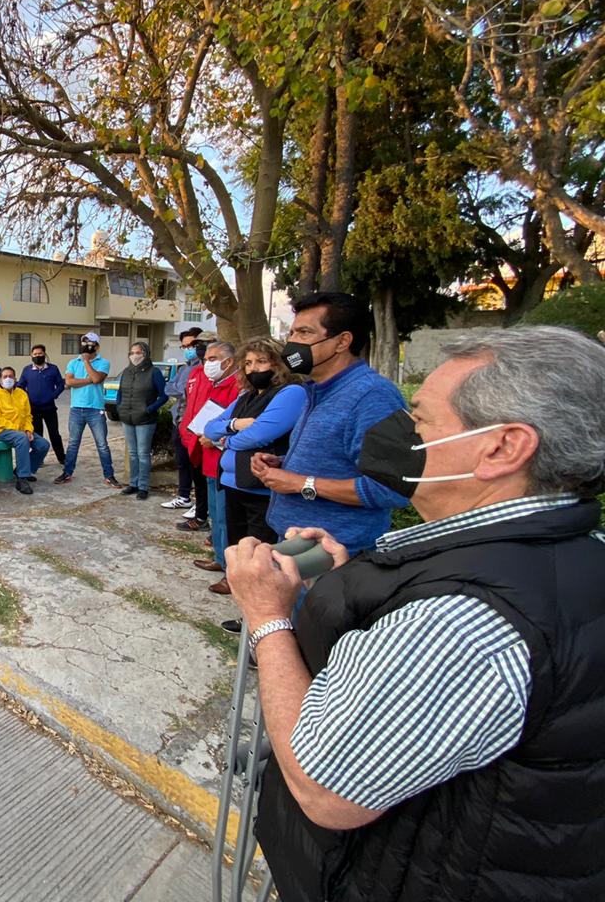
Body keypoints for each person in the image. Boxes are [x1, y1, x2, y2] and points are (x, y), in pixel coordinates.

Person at [227, 325, 605, 902]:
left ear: (502, 447)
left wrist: (269, 617)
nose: (399, 433)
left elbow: (323, 787)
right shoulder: (569, 551)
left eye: (421, 419)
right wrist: (349, 579)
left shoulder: (465, 623)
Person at [249, 291, 409, 553]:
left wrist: (302, 483)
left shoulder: (372, 396)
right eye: (291, 334)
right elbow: (337, 460)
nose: (291, 343)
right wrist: (283, 464)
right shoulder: (317, 391)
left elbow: (392, 489)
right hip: (297, 542)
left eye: (304, 333)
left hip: (335, 553)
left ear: (342, 341)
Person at [202, 339, 305, 597]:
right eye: (247, 363)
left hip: (261, 488)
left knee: (260, 547)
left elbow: (261, 434)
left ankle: (257, 602)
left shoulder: (291, 392)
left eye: (261, 361)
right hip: (234, 482)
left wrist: (227, 439)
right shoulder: (246, 397)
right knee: (237, 541)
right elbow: (210, 427)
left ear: (278, 363)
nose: (253, 368)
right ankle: (235, 583)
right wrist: (236, 424)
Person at [176, 341, 237, 534]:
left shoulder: (237, 385)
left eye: (213, 359)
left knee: (222, 504)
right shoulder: (198, 375)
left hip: (221, 452)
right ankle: (208, 525)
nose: (208, 364)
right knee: (205, 487)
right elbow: (189, 401)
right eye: (206, 360)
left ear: (229, 362)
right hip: (197, 440)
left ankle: (220, 545)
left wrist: (216, 439)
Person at [53, 332, 120, 487]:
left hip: (96, 410)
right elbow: (69, 382)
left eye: (89, 343)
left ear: (96, 346)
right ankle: (67, 472)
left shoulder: (103, 362)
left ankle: (109, 475)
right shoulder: (73, 362)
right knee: (73, 443)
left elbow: (97, 379)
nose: (86, 346)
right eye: (84, 342)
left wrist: (86, 361)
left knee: (102, 444)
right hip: (76, 409)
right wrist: (88, 380)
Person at [115, 341, 168, 500]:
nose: (134, 356)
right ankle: (133, 483)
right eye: (132, 353)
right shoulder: (126, 372)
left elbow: (163, 396)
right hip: (127, 418)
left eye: (138, 352)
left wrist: (149, 409)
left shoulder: (154, 372)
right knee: (132, 453)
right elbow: (120, 393)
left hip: (145, 420)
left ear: (145, 354)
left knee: (143, 454)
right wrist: (119, 407)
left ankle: (143, 486)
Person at [161, 330, 206, 510]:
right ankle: (184, 496)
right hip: (178, 421)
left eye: (192, 345)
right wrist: (183, 388)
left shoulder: (203, 368)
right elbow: (170, 388)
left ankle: (201, 504)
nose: (188, 349)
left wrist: (182, 389)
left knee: (197, 465)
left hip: (194, 424)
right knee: (182, 462)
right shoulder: (183, 368)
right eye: (185, 346)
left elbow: (187, 391)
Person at [0, 366, 51, 495]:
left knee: (43, 445)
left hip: (22, 430)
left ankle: (23, 470)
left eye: (11, 376)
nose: (8, 379)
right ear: (0, 380)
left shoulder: (22, 394)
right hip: (1, 431)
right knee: (21, 439)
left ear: (16, 379)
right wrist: (19, 430)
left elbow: (28, 415)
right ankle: (22, 479)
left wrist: (28, 430)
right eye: (5, 377)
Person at [18, 343, 67, 465]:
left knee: (54, 434)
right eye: (35, 354)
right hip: (33, 409)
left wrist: (53, 395)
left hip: (49, 408)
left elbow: (61, 385)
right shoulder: (27, 370)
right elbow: (20, 386)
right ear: (31, 355)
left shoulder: (53, 369)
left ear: (44, 354)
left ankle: (61, 458)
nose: (37, 356)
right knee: (37, 435)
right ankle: (39, 460)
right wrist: (27, 398)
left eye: (40, 354)